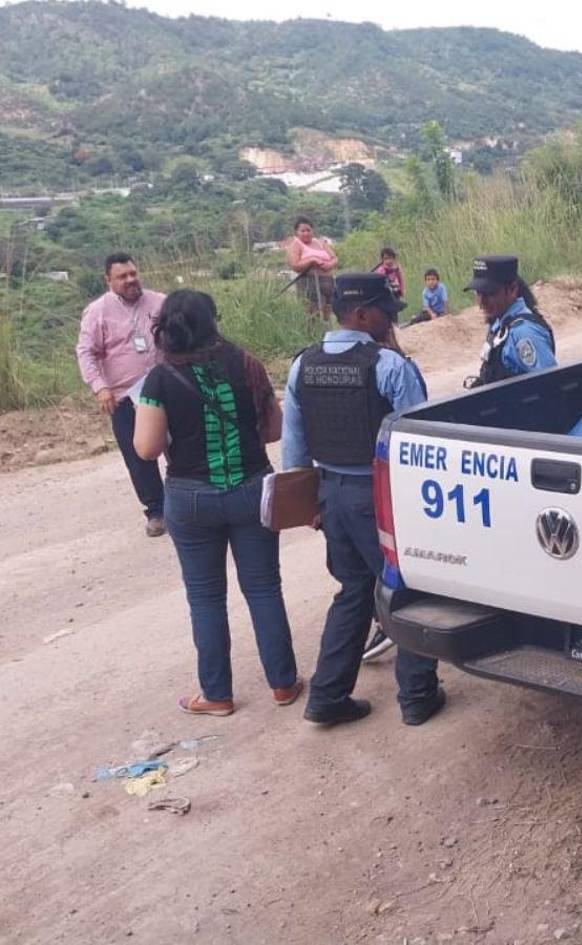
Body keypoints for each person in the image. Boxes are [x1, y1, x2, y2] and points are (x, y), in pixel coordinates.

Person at [281, 272, 445, 727]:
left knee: (353, 591)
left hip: (331, 495)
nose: (390, 320)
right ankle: (417, 695)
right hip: (380, 499)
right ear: (361, 314)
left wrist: (310, 504)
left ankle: (327, 696)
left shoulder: (302, 365)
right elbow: (418, 440)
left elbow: (294, 447)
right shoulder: (388, 366)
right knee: (407, 591)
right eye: (384, 312)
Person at [133, 290, 302, 717]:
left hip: (191, 496)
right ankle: (283, 683)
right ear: (212, 321)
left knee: (205, 597)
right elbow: (274, 430)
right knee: (264, 588)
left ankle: (217, 694)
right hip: (252, 488)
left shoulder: (159, 379)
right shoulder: (247, 364)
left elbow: (147, 448)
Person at [75, 252, 168, 537]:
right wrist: (100, 387)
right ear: (109, 280)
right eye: (122, 276)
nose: (130, 280)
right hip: (126, 397)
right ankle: (157, 511)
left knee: (183, 446)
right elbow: (86, 353)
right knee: (138, 456)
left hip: (166, 389)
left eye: (133, 274)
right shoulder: (97, 312)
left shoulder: (160, 302)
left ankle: (188, 503)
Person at [465, 255, 556, 387]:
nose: (481, 302)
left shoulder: (524, 333)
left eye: (490, 293)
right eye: (478, 293)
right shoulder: (500, 324)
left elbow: (550, 384)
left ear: (512, 289)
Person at [286, 216, 338, 320]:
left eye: (308, 230)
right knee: (312, 316)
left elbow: (334, 258)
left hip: (327, 282)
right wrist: (311, 260)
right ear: (297, 232)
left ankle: (326, 329)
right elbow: (295, 265)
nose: (306, 233)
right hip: (309, 283)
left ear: (312, 230)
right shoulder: (295, 244)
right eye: (303, 231)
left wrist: (329, 264)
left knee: (327, 316)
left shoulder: (320, 242)